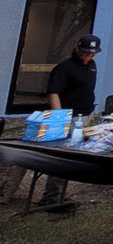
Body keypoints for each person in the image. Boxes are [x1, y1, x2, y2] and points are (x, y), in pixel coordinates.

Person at [3, 33, 103, 210]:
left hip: (83, 116)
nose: (88, 56)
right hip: (66, 117)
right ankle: (51, 197)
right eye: (85, 52)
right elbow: (53, 92)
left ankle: (57, 194)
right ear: (77, 48)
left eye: (92, 53)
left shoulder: (92, 65)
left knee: (72, 154)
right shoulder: (65, 67)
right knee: (60, 156)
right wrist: (60, 118)